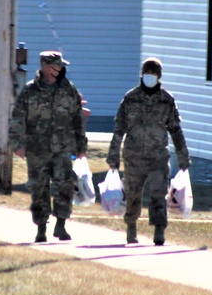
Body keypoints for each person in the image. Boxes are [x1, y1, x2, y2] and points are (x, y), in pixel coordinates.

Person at [107, 57, 190, 246]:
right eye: (147, 73)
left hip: (158, 157)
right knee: (133, 194)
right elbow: (119, 129)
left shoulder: (166, 101)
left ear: (159, 77)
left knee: (158, 194)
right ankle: (131, 228)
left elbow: (176, 130)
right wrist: (113, 156)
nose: (150, 77)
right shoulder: (130, 98)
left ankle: (159, 229)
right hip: (133, 156)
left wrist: (183, 156)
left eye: (153, 74)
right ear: (142, 75)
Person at [10, 50, 88, 243]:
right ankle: (41, 228)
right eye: (56, 66)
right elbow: (17, 119)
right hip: (37, 149)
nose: (60, 70)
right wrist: (18, 144)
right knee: (39, 188)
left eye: (61, 66)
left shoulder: (68, 89)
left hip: (63, 147)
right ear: (45, 67)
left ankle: (61, 224)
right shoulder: (30, 91)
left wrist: (81, 145)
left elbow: (77, 118)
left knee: (65, 185)